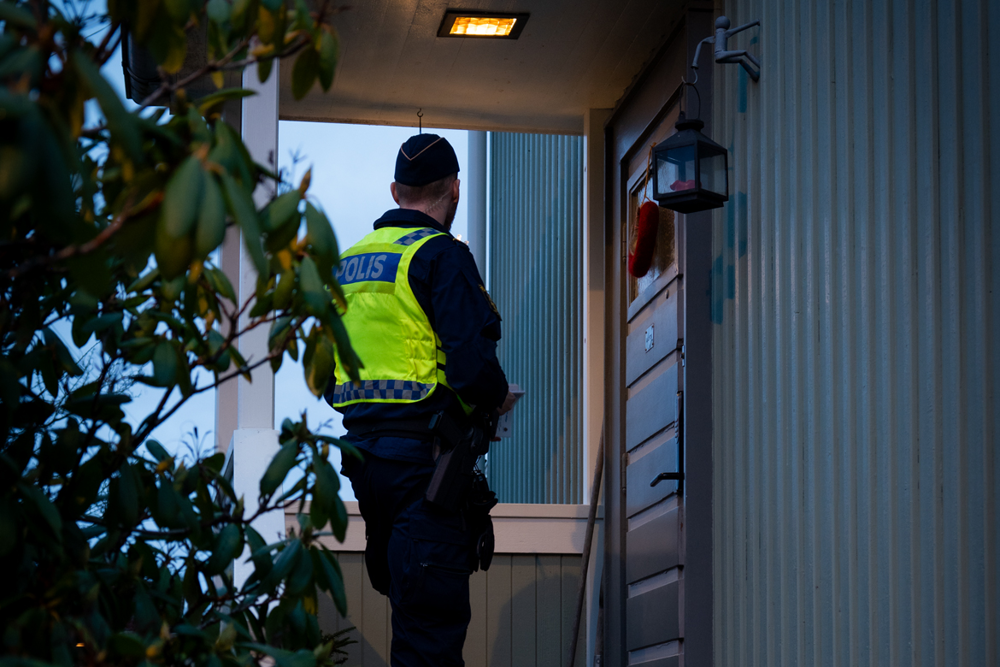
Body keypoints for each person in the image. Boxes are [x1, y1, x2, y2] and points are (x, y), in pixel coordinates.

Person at [325, 133, 515, 667]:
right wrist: (498, 399)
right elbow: (473, 371)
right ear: (455, 189)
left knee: (409, 613)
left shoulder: (345, 265)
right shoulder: (441, 255)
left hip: (367, 468)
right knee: (428, 639)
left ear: (395, 190)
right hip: (428, 472)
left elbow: (327, 377)